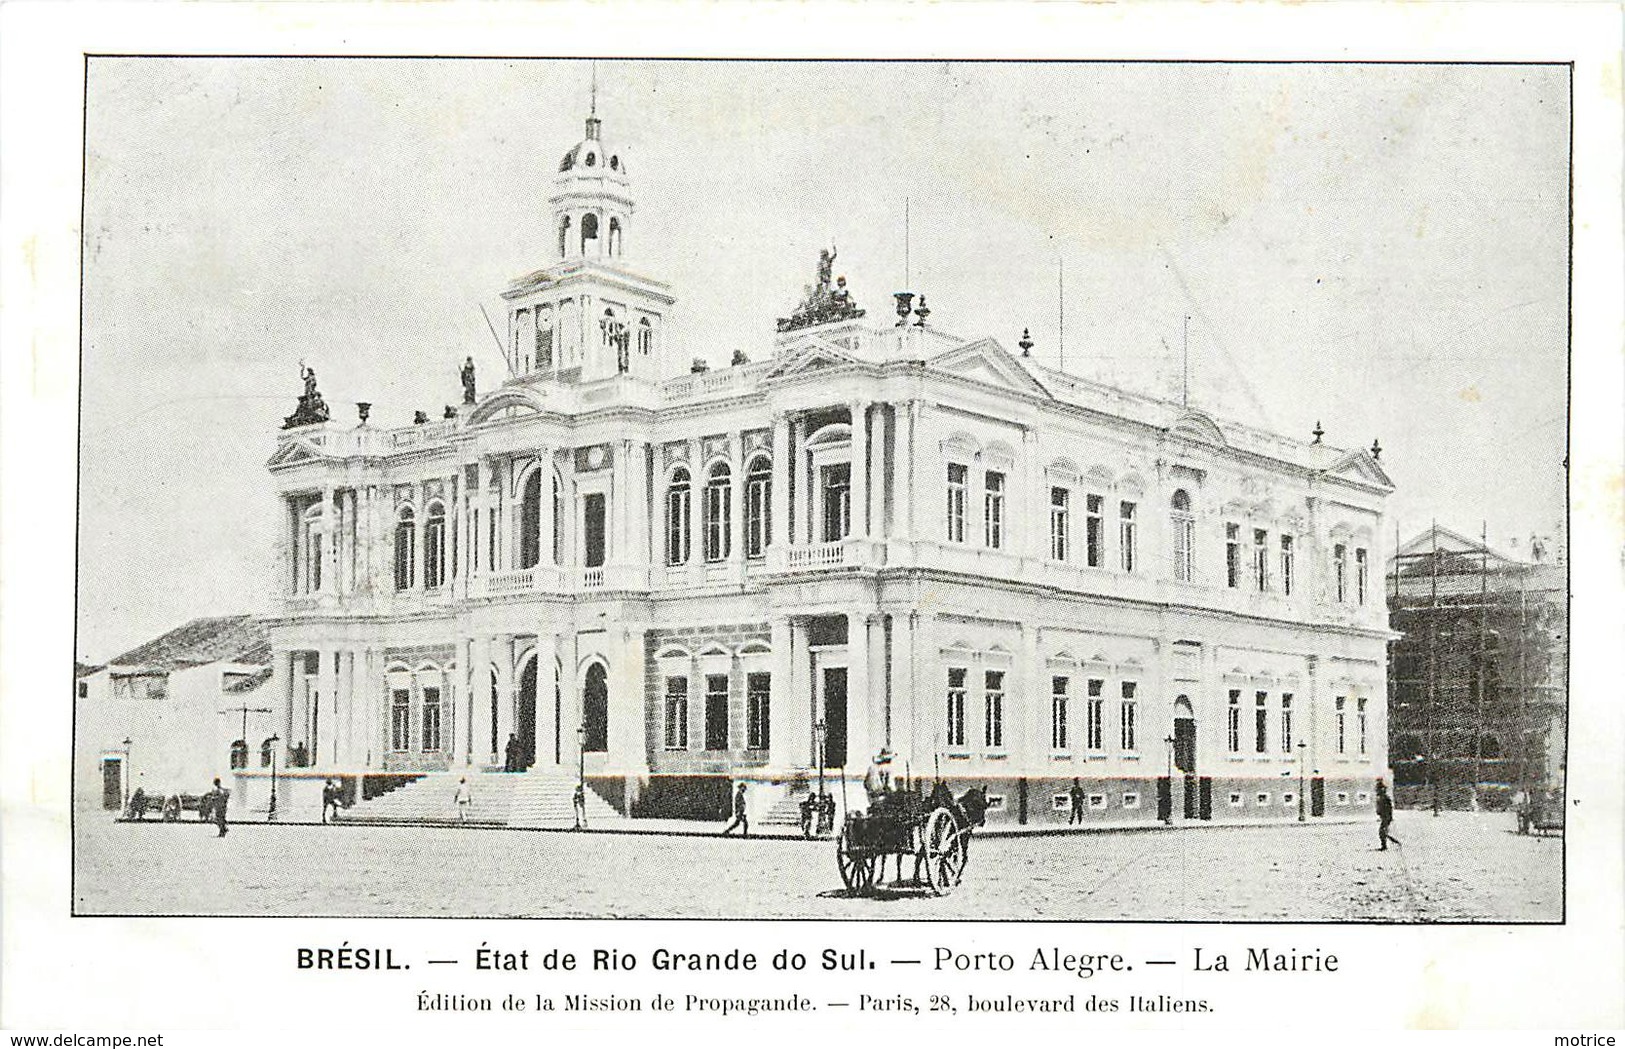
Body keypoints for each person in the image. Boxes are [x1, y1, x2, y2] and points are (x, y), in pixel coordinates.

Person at [1375, 779, 1400, 850]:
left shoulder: (1385, 798)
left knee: (1382, 832)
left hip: (1386, 817)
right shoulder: (1381, 798)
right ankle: (1388, 844)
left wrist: (1389, 816)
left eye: (1378, 789)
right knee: (1383, 832)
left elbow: (1389, 808)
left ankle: (1393, 843)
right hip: (1384, 817)